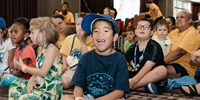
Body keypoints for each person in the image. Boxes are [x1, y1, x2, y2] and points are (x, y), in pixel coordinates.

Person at [61, 13, 129, 100]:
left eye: (105, 30)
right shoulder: (86, 58)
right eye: (96, 31)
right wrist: (78, 97)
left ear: (115, 37)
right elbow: (78, 86)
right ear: (92, 37)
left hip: (110, 98)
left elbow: (120, 92)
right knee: (66, 98)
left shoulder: (120, 59)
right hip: (89, 96)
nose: (100, 34)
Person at [9, 17, 62, 100]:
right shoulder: (41, 50)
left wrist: (23, 67)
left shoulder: (52, 49)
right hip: (40, 87)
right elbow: (38, 69)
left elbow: (43, 72)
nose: (30, 35)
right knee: (15, 85)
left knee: (24, 98)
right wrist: (32, 79)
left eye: (32, 32)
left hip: (50, 92)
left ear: (43, 34)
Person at [125, 18, 168, 94]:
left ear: (151, 32)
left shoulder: (155, 46)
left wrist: (134, 80)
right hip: (138, 74)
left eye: (146, 27)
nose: (142, 28)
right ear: (135, 31)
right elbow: (123, 63)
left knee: (162, 70)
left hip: (153, 76)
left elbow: (148, 66)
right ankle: (144, 87)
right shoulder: (132, 47)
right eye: (140, 26)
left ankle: (129, 86)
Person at [0, 17, 36, 94]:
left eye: (16, 32)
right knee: (1, 73)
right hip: (19, 78)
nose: (12, 34)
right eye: (11, 32)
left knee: (5, 78)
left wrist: (9, 75)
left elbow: (21, 72)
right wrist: (8, 74)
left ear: (26, 34)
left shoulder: (28, 49)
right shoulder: (17, 49)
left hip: (28, 80)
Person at [60, 12, 95, 89]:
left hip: (85, 69)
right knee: (64, 83)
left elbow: (87, 58)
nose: (80, 27)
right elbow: (65, 55)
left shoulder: (91, 41)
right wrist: (64, 66)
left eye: (83, 25)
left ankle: (78, 82)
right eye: (78, 24)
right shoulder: (69, 38)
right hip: (72, 69)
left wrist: (82, 41)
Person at [165, 11, 200, 79]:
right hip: (168, 62)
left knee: (160, 71)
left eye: (182, 17)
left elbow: (180, 51)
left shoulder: (192, 33)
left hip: (184, 66)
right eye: (177, 17)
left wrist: (160, 62)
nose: (178, 19)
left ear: (190, 20)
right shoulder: (174, 32)